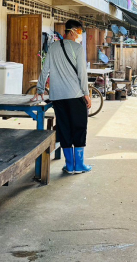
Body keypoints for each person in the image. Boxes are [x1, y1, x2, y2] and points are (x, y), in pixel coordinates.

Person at [31, 19, 93, 174]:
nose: (80, 35)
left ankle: (69, 165)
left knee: (64, 128)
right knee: (79, 127)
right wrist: (86, 94)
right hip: (75, 95)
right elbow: (82, 73)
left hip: (57, 97)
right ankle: (79, 165)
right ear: (71, 31)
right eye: (79, 31)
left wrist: (40, 88)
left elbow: (45, 69)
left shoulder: (53, 47)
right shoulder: (77, 48)